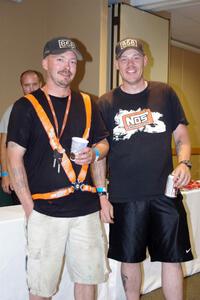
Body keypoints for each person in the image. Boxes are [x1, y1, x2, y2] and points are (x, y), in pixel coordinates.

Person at [7, 37, 110, 300]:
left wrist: (97, 161)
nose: (67, 66)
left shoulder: (88, 103)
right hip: (45, 211)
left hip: (86, 210)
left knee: (88, 279)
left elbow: (102, 145)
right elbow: (14, 157)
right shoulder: (26, 106)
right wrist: (29, 207)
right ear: (45, 63)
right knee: (41, 287)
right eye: (60, 59)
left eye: (73, 61)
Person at [97, 37, 193, 300]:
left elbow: (182, 137)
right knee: (130, 260)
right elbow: (99, 154)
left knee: (172, 259)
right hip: (124, 197)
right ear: (117, 64)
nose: (131, 64)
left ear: (145, 61)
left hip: (165, 193)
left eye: (136, 57)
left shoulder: (165, 93)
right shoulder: (105, 103)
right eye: (125, 58)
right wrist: (101, 196)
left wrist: (184, 162)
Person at [0, 70, 44, 203]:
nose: (31, 89)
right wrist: (5, 174)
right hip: (20, 176)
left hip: (42, 176)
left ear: (41, 84)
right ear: (22, 87)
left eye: (34, 84)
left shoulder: (48, 109)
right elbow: (3, 145)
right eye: (27, 85)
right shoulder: (14, 109)